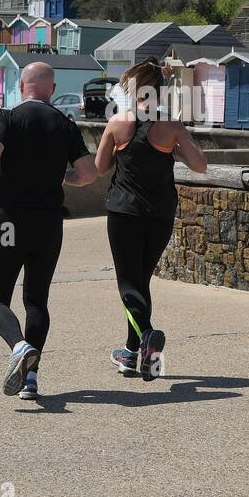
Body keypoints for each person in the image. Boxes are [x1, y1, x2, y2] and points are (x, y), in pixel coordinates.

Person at [0, 61, 97, 400]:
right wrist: (61, 177)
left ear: (22, 86)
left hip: (10, 223)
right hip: (48, 225)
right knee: (36, 300)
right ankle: (30, 380)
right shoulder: (65, 123)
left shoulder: (8, 116)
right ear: (51, 90)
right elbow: (88, 173)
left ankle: (18, 346)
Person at [94, 57, 207, 381]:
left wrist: (118, 151)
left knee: (128, 283)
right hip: (160, 213)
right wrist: (176, 151)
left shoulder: (118, 124)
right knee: (141, 281)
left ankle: (146, 334)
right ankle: (131, 355)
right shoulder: (172, 126)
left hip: (124, 211)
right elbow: (200, 165)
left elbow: (101, 168)